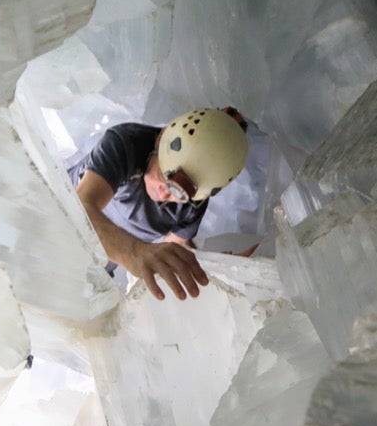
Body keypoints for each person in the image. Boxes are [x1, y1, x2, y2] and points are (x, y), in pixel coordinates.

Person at [68, 106, 252, 302]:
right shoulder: (125, 145)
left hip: (99, 267)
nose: (165, 193)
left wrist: (218, 268)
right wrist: (136, 252)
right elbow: (78, 209)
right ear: (160, 139)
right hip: (53, 224)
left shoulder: (191, 207)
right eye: (165, 176)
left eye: (178, 193)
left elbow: (169, 252)